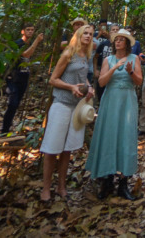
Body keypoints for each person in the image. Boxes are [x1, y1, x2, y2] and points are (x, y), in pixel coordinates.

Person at [85, 29, 142, 200]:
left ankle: (124, 183)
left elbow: (139, 82)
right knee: (109, 136)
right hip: (110, 100)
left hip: (127, 101)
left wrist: (131, 71)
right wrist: (114, 68)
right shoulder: (108, 60)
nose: (117, 42)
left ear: (127, 43)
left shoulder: (135, 58)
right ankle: (107, 180)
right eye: (115, 40)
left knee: (126, 137)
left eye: (121, 40)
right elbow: (101, 82)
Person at [40, 23, 94, 200]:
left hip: (76, 107)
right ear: (78, 35)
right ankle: (46, 188)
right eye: (84, 33)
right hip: (61, 104)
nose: (87, 36)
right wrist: (70, 86)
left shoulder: (86, 55)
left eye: (90, 34)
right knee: (52, 148)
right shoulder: (68, 53)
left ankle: (61, 186)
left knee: (67, 149)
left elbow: (82, 75)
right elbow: (53, 79)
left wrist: (89, 86)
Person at [1, 24, 43, 135]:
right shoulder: (18, 44)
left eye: (32, 30)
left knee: (16, 105)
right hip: (13, 79)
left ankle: (8, 129)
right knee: (12, 104)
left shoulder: (28, 44)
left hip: (23, 79)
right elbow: (26, 55)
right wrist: (37, 41)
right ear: (22, 31)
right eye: (28, 30)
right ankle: (4, 131)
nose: (30, 32)